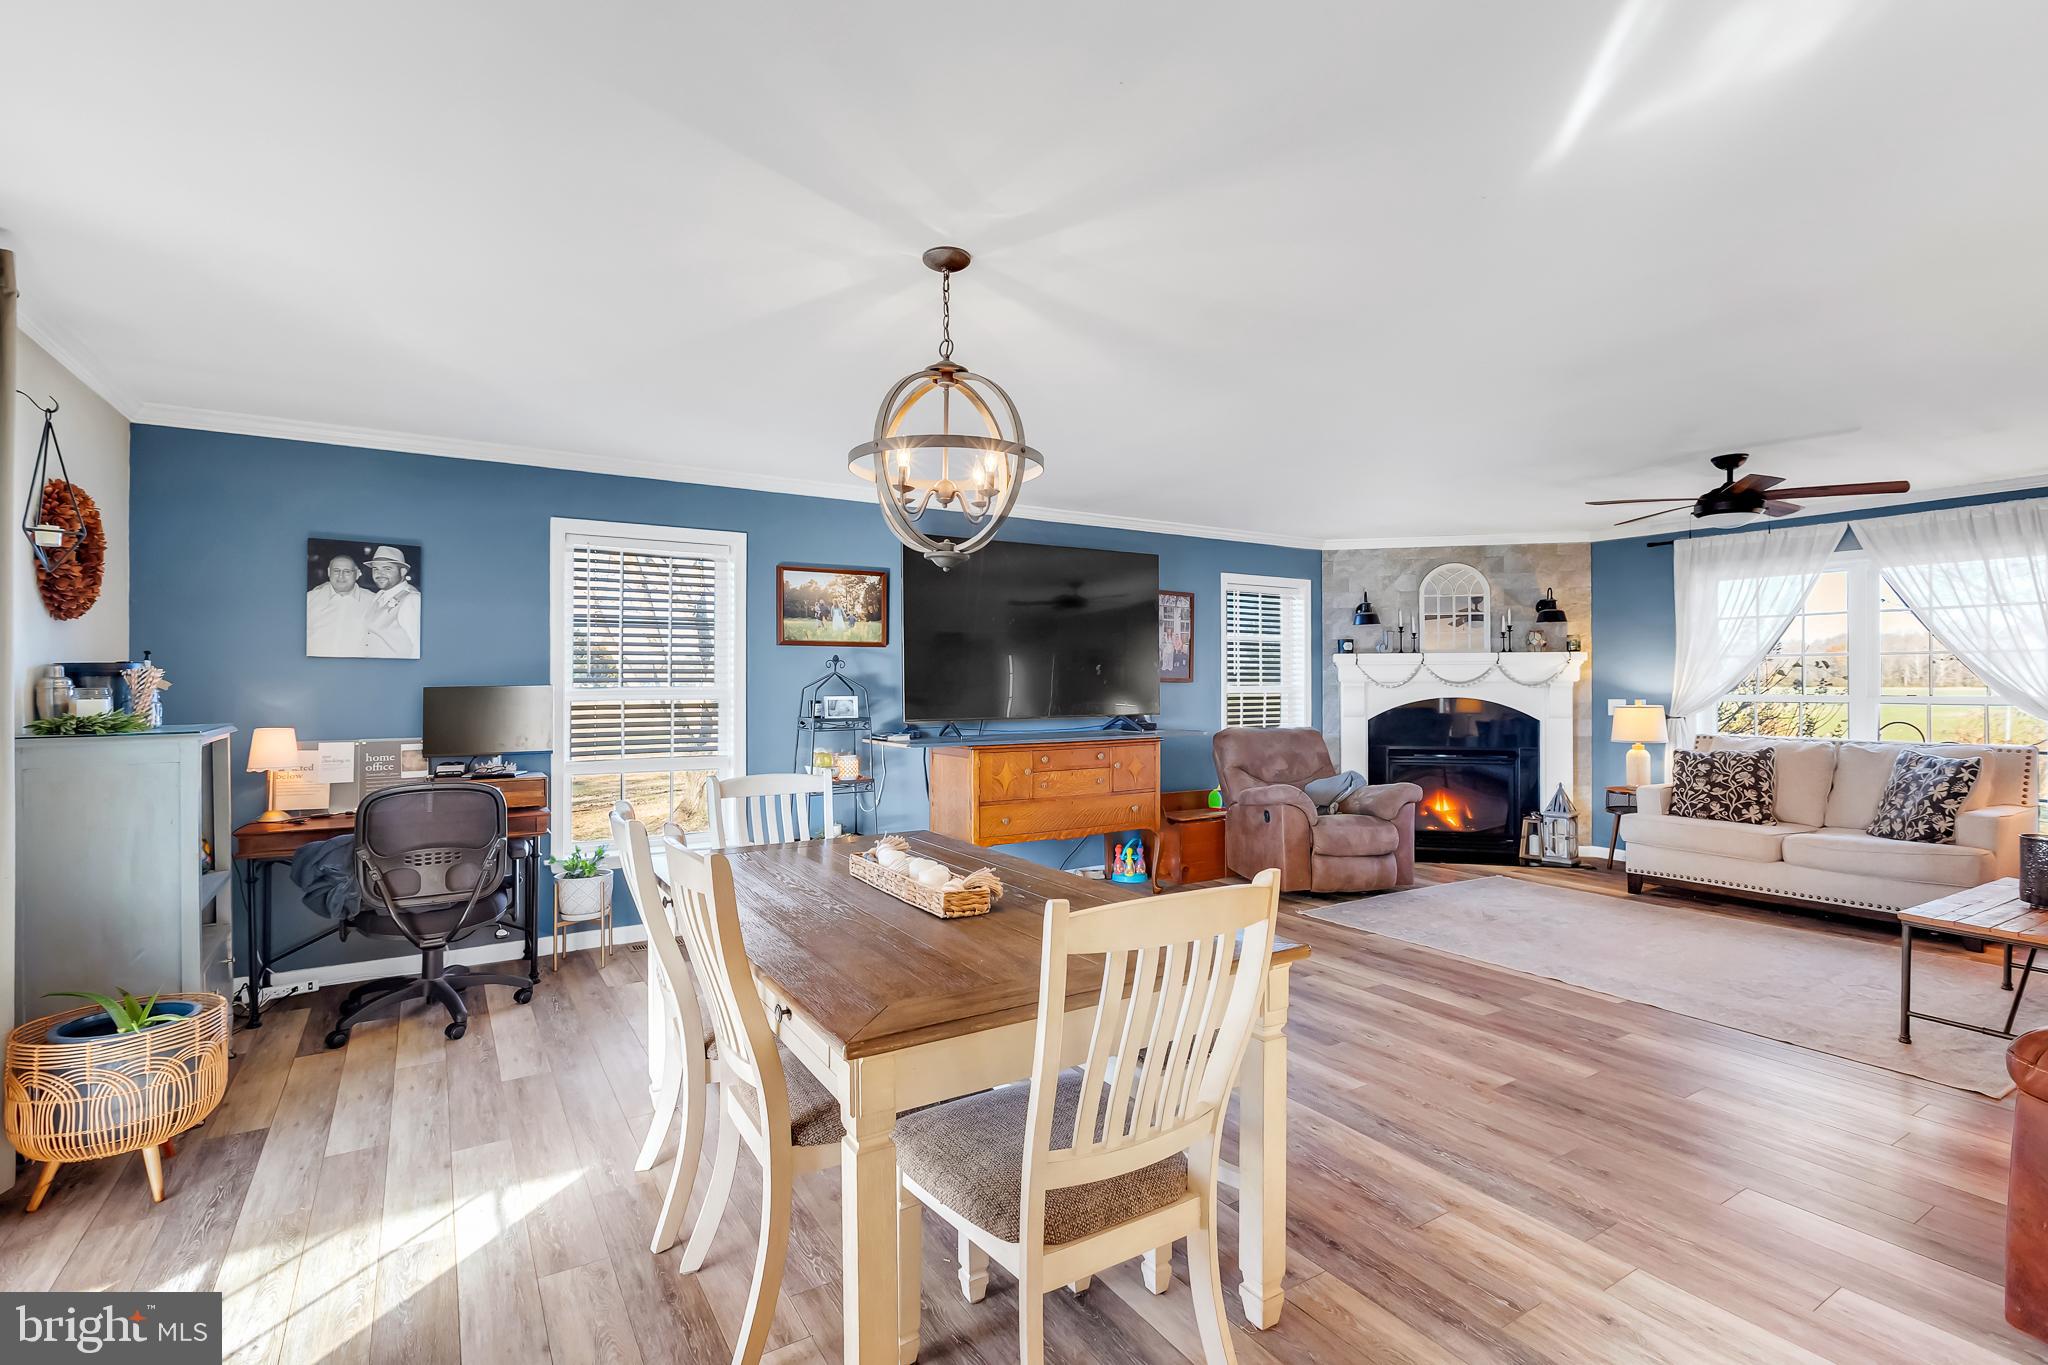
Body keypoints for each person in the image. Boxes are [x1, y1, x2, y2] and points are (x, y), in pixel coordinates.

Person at [360, 545, 422, 658]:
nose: (379, 574)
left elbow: (418, 647)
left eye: (387, 568)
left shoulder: (412, 599)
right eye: (375, 569)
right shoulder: (379, 595)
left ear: (403, 571)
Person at [307, 553, 373, 656]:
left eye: (347, 571)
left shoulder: (374, 602)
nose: (341, 576)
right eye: (336, 571)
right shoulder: (309, 599)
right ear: (329, 572)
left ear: (358, 574)